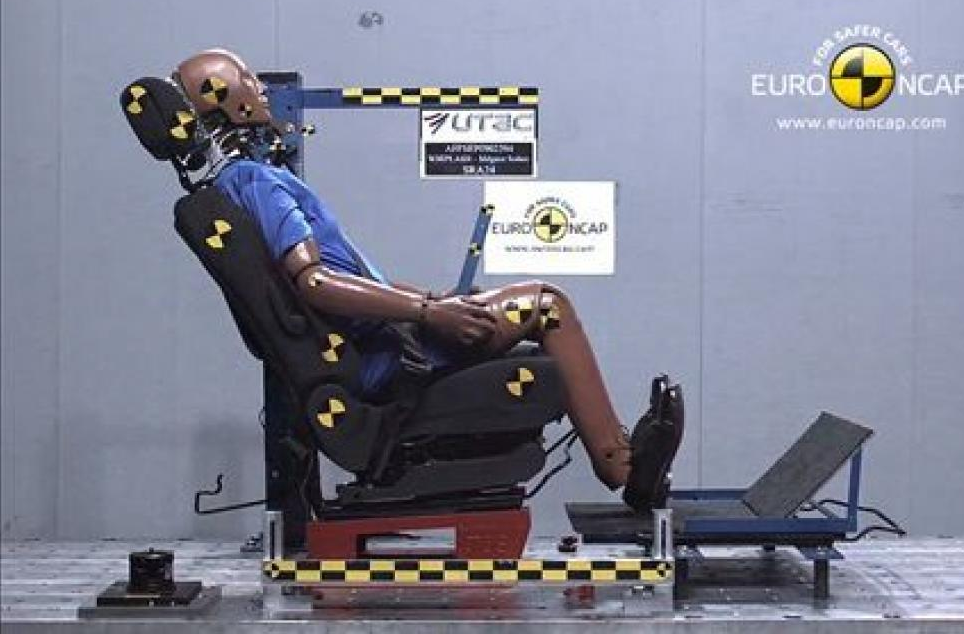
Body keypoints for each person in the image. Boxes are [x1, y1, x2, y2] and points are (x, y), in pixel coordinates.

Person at [173, 49, 683, 510]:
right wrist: (429, 313)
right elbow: (316, 283)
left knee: (524, 309)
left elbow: (348, 280)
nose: (262, 89)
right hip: (389, 354)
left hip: (382, 341)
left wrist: (434, 300)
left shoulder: (232, 189)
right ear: (232, 100)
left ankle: (622, 460)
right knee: (548, 306)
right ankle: (622, 467)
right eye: (250, 81)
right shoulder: (258, 182)